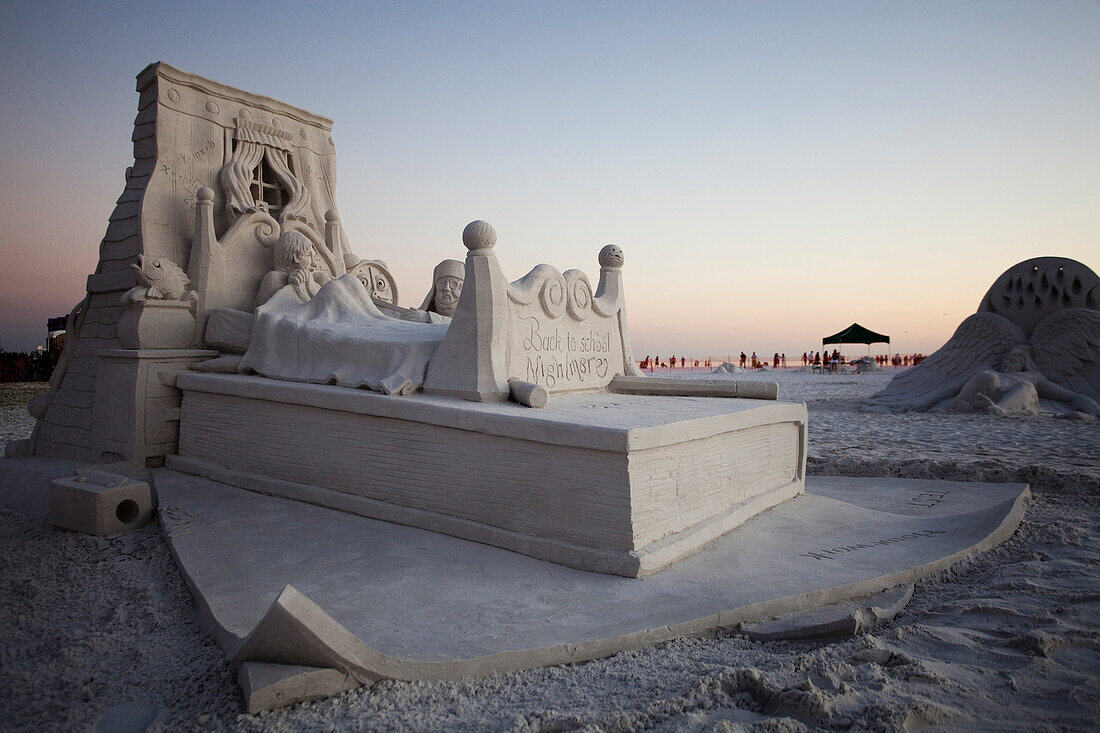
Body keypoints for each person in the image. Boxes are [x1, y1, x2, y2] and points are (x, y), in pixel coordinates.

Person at [258, 231, 333, 305]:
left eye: (314, 257)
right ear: (295, 257)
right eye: (309, 255)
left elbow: (334, 309)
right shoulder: (274, 278)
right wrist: (295, 288)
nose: (314, 264)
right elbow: (263, 313)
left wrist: (311, 286)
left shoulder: (319, 279)